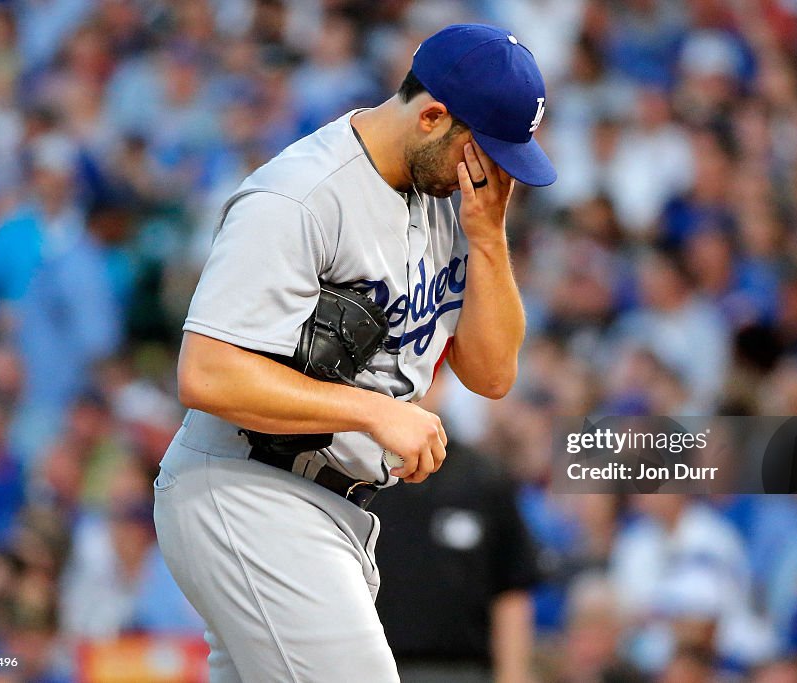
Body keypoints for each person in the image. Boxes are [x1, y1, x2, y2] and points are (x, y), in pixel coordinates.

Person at [152, 23, 555, 683]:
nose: (492, 174)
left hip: (328, 505)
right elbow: (205, 372)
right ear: (431, 116)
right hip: (250, 487)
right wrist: (372, 411)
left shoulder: (450, 206)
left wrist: (488, 240)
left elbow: (492, 372)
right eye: (484, 152)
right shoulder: (302, 195)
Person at [371, 439, 540, 683]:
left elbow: (511, 586)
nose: (413, 398)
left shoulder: (483, 475)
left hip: (461, 669)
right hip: (369, 666)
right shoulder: (353, 472)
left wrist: (512, 674)